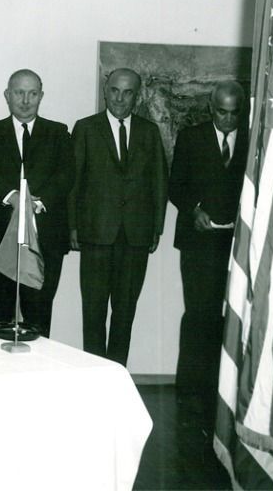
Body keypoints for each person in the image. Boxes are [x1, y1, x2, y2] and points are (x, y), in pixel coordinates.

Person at [68, 68, 167, 366]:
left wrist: (156, 228)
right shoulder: (86, 128)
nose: (120, 99)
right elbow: (73, 182)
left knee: (125, 313)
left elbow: (159, 182)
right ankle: (94, 375)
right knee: (93, 312)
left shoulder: (149, 132)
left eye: (128, 93)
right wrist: (72, 226)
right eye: (114, 91)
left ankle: (116, 375)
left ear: (137, 97)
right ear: (105, 91)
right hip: (95, 233)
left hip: (136, 236)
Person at [0, 69, 74, 336]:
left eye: (32, 93)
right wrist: (13, 198)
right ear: (7, 95)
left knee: (38, 321)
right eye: (19, 93)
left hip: (45, 242)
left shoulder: (58, 132)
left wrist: (36, 204)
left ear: (41, 96)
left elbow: (66, 176)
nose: (26, 100)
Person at [169, 81, 247, 421]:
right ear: (210, 108)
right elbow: (175, 186)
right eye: (221, 112)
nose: (227, 120)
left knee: (231, 318)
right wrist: (194, 210)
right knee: (199, 314)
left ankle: (223, 391)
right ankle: (190, 392)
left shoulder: (251, 140)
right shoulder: (191, 138)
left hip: (237, 244)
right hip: (199, 242)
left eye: (234, 113)